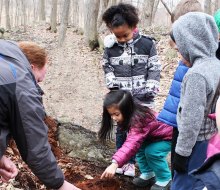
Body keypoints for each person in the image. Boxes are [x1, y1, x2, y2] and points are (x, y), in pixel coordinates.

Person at [0, 40, 80, 190]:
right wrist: (60, 184)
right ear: (31, 68)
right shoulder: (21, 82)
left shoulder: (4, 50)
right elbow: (35, 148)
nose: (35, 85)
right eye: (36, 80)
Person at [101, 3, 161, 177]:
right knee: (121, 129)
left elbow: (154, 67)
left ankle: (137, 163)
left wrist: (151, 86)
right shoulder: (111, 48)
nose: (121, 39)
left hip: (143, 96)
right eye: (117, 36)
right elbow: (107, 66)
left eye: (124, 35)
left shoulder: (147, 44)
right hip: (122, 98)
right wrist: (112, 84)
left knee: (140, 130)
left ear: (134, 27)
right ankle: (123, 162)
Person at [170, 12, 220, 190]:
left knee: (183, 185)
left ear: (191, 44)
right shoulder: (216, 64)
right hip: (210, 139)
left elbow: (191, 119)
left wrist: (182, 154)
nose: (180, 57)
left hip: (194, 143)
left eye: (180, 50)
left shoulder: (197, 75)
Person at [157, 0, 203, 178]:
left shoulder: (200, 62)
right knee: (176, 163)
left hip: (192, 129)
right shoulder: (185, 54)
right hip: (179, 121)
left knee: (187, 167)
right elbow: (178, 89)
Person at [99, 90, 172, 190]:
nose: (113, 118)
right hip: (151, 136)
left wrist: (115, 163)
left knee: (152, 152)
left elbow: (131, 143)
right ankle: (148, 173)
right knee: (140, 149)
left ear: (126, 109)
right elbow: (134, 142)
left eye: (116, 114)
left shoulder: (139, 119)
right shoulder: (127, 115)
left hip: (167, 136)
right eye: (111, 115)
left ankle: (165, 179)